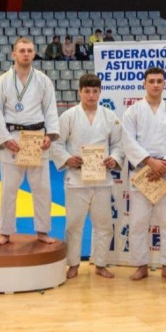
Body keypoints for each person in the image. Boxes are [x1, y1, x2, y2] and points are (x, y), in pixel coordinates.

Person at [51, 73, 123, 279]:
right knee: (74, 224)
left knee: (103, 224)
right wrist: (67, 158)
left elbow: (118, 145)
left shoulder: (110, 117)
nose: (91, 95)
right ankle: (73, 264)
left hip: (102, 179)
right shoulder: (68, 116)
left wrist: (114, 159)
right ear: (79, 92)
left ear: (100, 92)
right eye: (87, 91)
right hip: (76, 179)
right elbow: (57, 144)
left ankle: (100, 263)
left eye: (94, 91)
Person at [0, 37, 60, 246]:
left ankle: (42, 231)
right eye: (22, 50)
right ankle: (5, 232)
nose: (26, 54)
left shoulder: (43, 80)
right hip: (12, 139)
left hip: (37, 139)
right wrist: (4, 139)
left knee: (42, 189)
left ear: (34, 53)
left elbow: (50, 110)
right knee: (8, 190)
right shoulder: (2, 81)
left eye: (29, 50)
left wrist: (50, 135)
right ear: (14, 54)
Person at [121, 67, 166, 282]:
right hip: (143, 171)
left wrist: (164, 162)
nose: (155, 85)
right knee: (138, 221)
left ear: (165, 84)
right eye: (152, 81)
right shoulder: (133, 111)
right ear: (144, 84)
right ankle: (140, 265)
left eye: (159, 81)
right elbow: (128, 141)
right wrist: (149, 162)